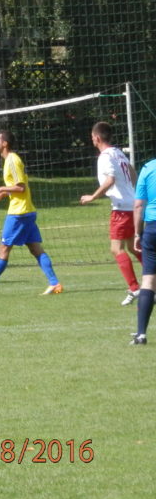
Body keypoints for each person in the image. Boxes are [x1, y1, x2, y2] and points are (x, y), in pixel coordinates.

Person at [0, 130, 61, 296]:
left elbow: (21, 187)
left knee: (3, 248)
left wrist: (1, 188)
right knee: (35, 248)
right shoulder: (9, 161)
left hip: (19, 213)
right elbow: (17, 187)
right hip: (26, 211)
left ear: (5, 143)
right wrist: (1, 194)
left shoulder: (12, 160)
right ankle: (55, 283)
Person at [79, 121, 141, 306]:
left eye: (92, 137)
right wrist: (134, 191)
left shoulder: (105, 156)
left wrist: (93, 196)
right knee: (133, 246)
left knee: (116, 249)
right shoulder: (118, 152)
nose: (92, 140)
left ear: (97, 138)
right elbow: (132, 172)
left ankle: (135, 288)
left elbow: (110, 179)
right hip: (132, 205)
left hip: (121, 209)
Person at [130, 155, 156, 344]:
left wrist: (137, 234)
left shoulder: (148, 168)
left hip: (152, 229)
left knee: (148, 280)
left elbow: (138, 205)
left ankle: (141, 334)